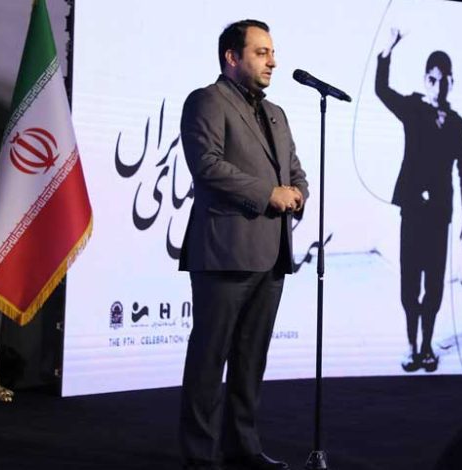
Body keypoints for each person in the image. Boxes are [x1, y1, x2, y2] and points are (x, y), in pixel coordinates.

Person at [178, 19, 308, 470]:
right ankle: (199, 456)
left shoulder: (276, 113)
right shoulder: (206, 101)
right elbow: (207, 165)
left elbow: (294, 170)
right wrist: (268, 193)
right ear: (232, 57)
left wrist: (298, 193)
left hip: (271, 252)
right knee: (209, 358)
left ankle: (243, 447)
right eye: (261, 52)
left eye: (272, 52)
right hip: (224, 251)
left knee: (252, 359)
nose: (273, 61)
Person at [375, 29, 462, 374]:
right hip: (413, 211)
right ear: (425, 80)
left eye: (443, 80)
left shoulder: (458, 125)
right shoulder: (413, 109)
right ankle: (411, 345)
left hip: (440, 215)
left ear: (451, 82)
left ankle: (428, 345)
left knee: (434, 284)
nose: (437, 85)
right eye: (432, 79)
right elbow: (381, 90)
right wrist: (387, 51)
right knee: (409, 284)